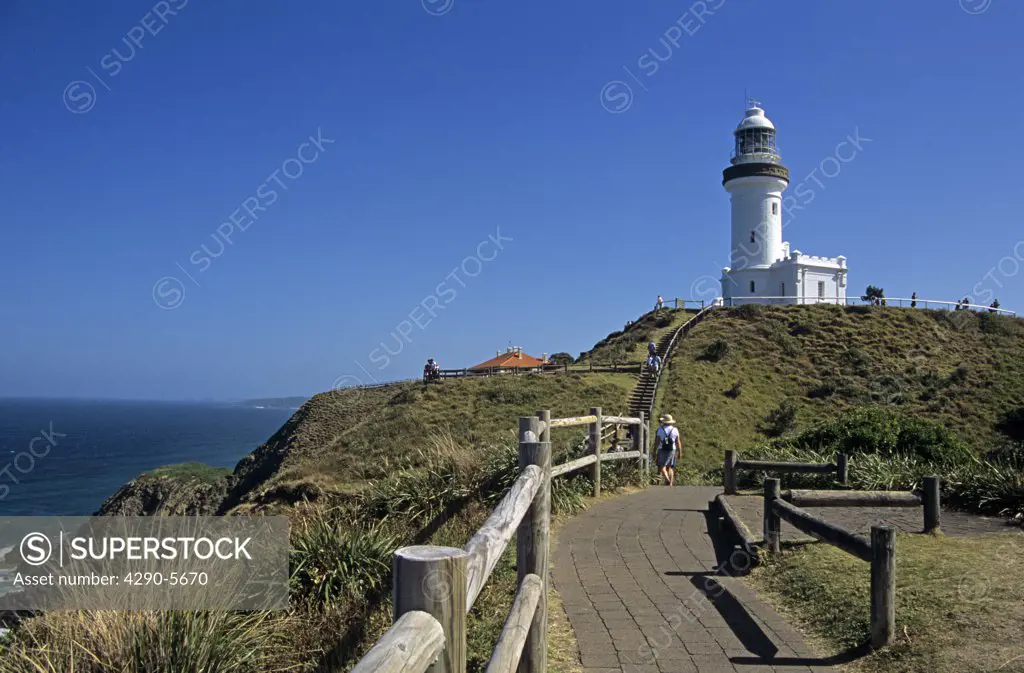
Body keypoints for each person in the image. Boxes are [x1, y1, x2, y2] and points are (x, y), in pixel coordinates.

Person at [655, 414, 681, 486]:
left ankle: (667, 479)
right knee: (670, 466)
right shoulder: (675, 430)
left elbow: (657, 442)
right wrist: (679, 452)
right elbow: (678, 441)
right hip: (672, 449)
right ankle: (670, 483)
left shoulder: (660, 430)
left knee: (662, 466)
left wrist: (655, 451)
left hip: (662, 449)